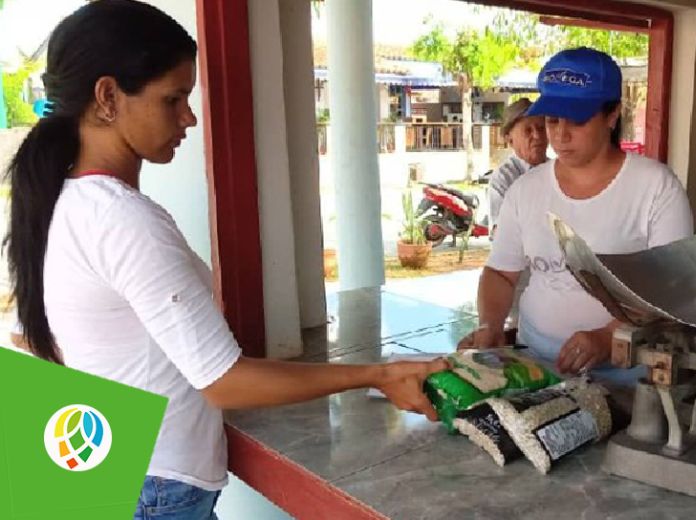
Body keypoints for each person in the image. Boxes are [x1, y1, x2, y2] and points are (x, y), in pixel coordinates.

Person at [4, 2, 446, 519]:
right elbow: (224, 382)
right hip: (152, 485)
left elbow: (27, 335)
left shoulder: (52, 200)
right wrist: (376, 375)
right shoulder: (123, 220)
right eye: (173, 100)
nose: (188, 117)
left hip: (93, 468)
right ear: (107, 97)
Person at [460, 47, 694, 386]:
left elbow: (668, 288)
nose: (560, 135)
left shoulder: (655, 188)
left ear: (612, 114)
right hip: (536, 365)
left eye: (578, 120)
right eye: (552, 120)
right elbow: (501, 272)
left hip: (625, 375)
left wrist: (608, 336)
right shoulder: (526, 190)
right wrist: (490, 325)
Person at [488, 98, 547, 234]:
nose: (537, 136)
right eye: (528, 130)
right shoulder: (503, 179)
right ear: (510, 139)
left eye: (541, 128)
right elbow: (501, 233)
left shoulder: (560, 171)